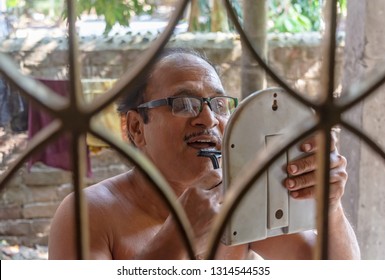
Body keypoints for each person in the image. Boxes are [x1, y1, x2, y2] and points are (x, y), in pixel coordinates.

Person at [48, 48, 360, 260]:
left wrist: (330, 208)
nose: (209, 119)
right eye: (183, 104)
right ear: (136, 128)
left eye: (219, 104)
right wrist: (178, 239)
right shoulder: (89, 214)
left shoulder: (240, 203)